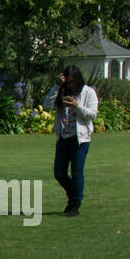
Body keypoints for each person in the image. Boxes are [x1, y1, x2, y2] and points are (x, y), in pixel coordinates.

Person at [43, 65, 97, 218]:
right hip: (63, 138)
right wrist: (56, 86)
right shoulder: (62, 91)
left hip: (80, 139)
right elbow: (47, 104)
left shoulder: (88, 93)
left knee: (77, 172)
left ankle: (75, 204)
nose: (71, 85)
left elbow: (92, 115)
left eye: (73, 82)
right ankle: (74, 195)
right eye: (68, 82)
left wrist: (77, 106)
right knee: (59, 172)